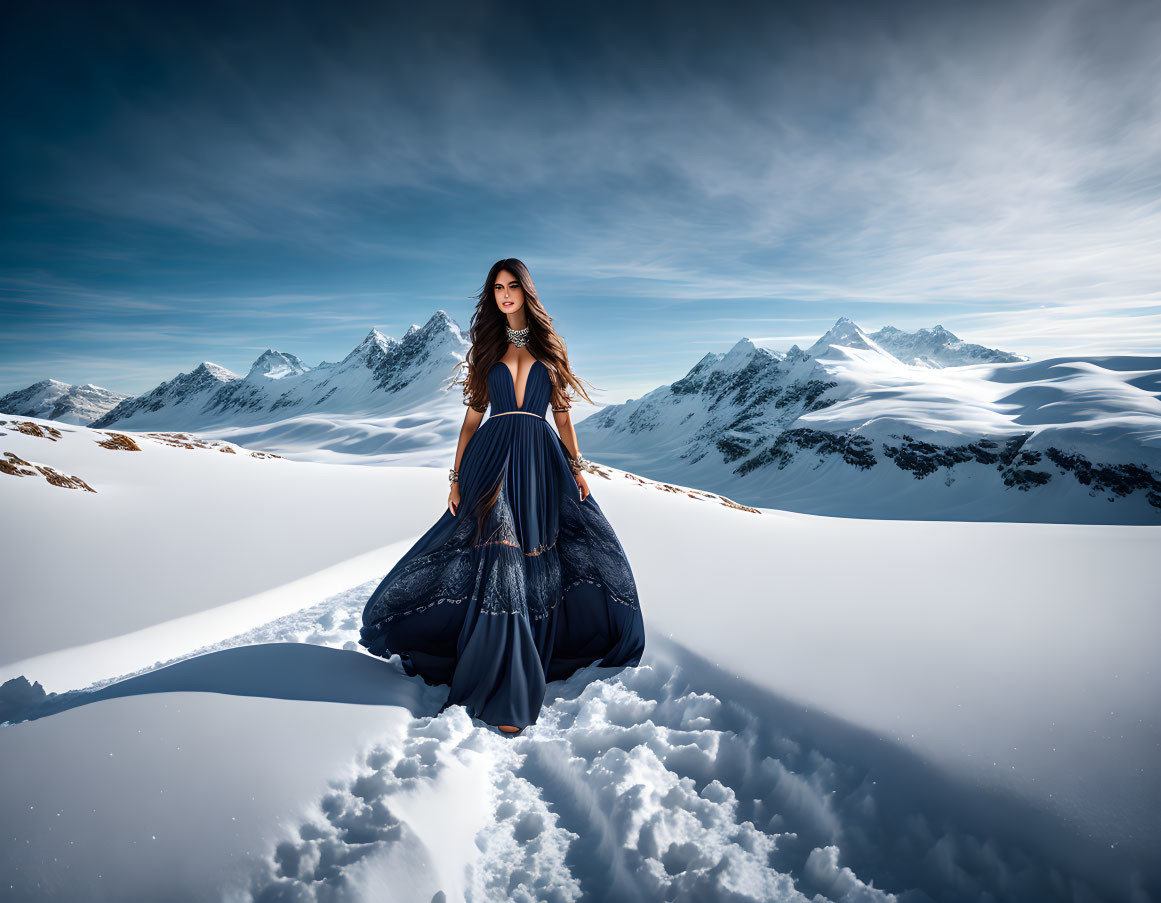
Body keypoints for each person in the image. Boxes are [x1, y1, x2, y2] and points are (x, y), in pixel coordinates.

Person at [359, 258, 645, 734]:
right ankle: (502, 686)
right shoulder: (486, 349)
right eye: (497, 288)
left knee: (539, 560)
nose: (505, 295)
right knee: (501, 560)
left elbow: (564, 417)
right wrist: (455, 477)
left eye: (513, 286)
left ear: (526, 292)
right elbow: (472, 421)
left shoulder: (550, 350)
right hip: (490, 463)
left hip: (540, 463)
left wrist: (577, 469)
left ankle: (529, 658)